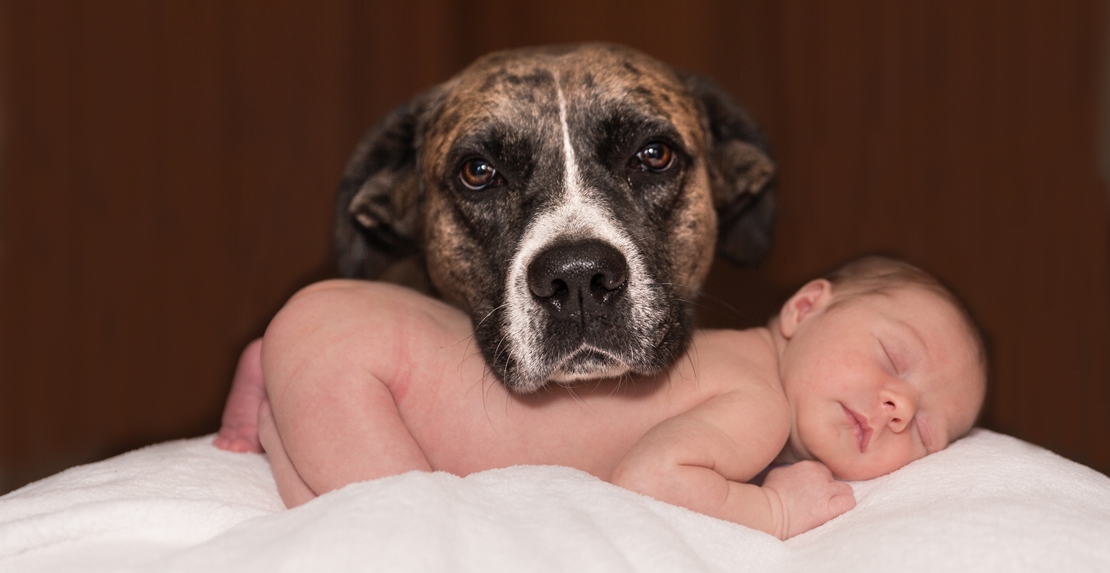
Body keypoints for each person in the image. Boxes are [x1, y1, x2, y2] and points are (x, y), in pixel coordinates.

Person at [214, 256, 987, 540]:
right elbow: (652, 481)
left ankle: (280, 370)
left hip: (350, 325)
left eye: (924, 429)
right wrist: (774, 513)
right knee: (403, 524)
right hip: (370, 371)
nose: (894, 406)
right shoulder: (759, 403)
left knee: (331, 429)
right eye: (892, 359)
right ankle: (292, 369)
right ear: (806, 307)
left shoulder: (734, 363)